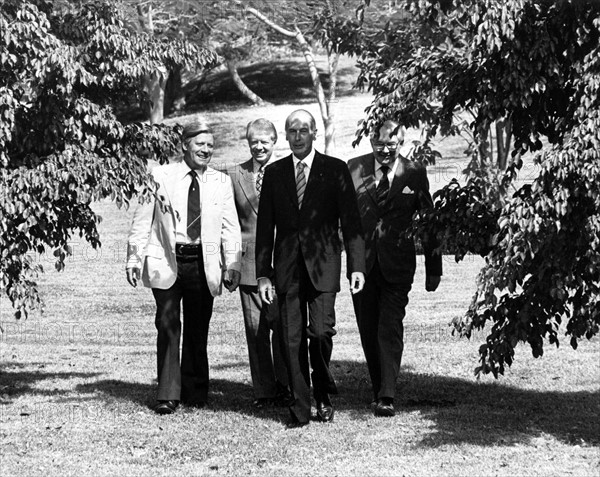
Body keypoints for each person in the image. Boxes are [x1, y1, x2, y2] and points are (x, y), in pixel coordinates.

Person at [255, 109, 366, 428]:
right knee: (291, 338)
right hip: (288, 269)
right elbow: (265, 227)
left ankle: (322, 390)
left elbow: (352, 222)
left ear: (314, 133)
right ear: (286, 136)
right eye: (292, 131)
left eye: (304, 130)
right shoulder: (274, 173)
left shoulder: (335, 169)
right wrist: (264, 272)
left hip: (324, 266)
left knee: (319, 333)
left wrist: (356, 266)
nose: (298, 136)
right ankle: (300, 406)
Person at [126, 121, 242, 415]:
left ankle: (195, 391)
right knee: (167, 324)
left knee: (197, 327)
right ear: (185, 145)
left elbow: (230, 227)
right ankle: (167, 393)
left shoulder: (221, 181)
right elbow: (142, 221)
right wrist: (133, 257)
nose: (205, 150)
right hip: (167, 260)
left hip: (203, 263)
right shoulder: (159, 176)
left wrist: (233, 263)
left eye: (210, 146)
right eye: (199, 144)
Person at [348, 119, 442, 417]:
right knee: (368, 327)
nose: (385, 150)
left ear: (401, 143)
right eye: (379, 145)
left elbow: (428, 221)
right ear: (370, 142)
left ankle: (387, 395)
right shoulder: (354, 168)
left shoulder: (414, 172)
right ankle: (378, 387)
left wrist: (434, 267)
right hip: (361, 266)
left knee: (390, 326)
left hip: (398, 264)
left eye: (392, 145)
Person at [226, 118, 291, 409]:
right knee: (256, 331)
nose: (259, 146)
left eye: (265, 140)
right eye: (254, 141)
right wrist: (230, 262)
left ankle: (289, 385)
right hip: (249, 264)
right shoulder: (234, 174)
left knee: (285, 327)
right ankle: (265, 391)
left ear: (275, 141)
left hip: (284, 262)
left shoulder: (288, 171)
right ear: (247, 142)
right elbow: (227, 222)